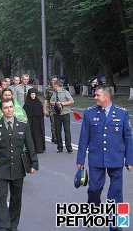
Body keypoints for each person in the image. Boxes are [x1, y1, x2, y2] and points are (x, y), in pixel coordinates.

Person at [77, 86, 133, 231]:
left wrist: (130, 160)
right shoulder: (89, 113)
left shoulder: (122, 113)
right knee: (94, 189)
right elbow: (84, 138)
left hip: (116, 158)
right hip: (96, 158)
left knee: (116, 193)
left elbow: (128, 138)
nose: (95, 97)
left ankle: (117, 226)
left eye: (97, 95)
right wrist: (80, 160)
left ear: (107, 97)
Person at [0, 99, 39, 231]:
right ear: (1, 110)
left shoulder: (23, 125)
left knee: (16, 199)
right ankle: (3, 227)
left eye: (11, 107)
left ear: (14, 108)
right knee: (1, 198)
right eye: (6, 107)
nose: (9, 110)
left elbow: (30, 145)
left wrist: (34, 164)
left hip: (18, 167)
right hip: (1, 168)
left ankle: (13, 226)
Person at [50, 79, 74, 153]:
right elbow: (51, 101)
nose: (53, 86)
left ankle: (69, 147)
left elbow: (72, 101)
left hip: (65, 114)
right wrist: (56, 103)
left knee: (67, 131)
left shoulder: (65, 92)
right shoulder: (54, 93)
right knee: (58, 131)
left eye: (54, 85)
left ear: (57, 85)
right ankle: (59, 147)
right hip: (57, 114)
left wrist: (62, 103)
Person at [23, 88, 45, 153]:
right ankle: (31, 149)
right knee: (30, 135)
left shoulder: (38, 102)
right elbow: (24, 113)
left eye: (34, 94)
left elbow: (41, 113)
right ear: (29, 95)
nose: (33, 96)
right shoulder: (27, 103)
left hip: (37, 122)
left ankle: (39, 149)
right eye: (32, 94)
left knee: (38, 135)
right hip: (30, 122)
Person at [44, 76, 58, 144]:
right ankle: (55, 138)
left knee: (58, 124)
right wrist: (46, 110)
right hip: (51, 109)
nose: (54, 81)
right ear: (51, 81)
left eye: (56, 80)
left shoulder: (60, 88)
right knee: (53, 123)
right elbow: (46, 100)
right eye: (53, 80)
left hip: (59, 109)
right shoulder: (48, 89)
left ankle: (56, 136)